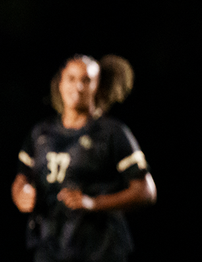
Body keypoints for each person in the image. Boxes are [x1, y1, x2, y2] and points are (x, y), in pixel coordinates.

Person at [11, 54, 156, 262]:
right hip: (51, 248)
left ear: (97, 86)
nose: (78, 86)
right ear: (60, 83)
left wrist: (94, 203)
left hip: (99, 250)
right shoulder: (41, 134)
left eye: (86, 80)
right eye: (71, 79)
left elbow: (146, 191)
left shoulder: (111, 132)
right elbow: (21, 179)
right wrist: (21, 194)